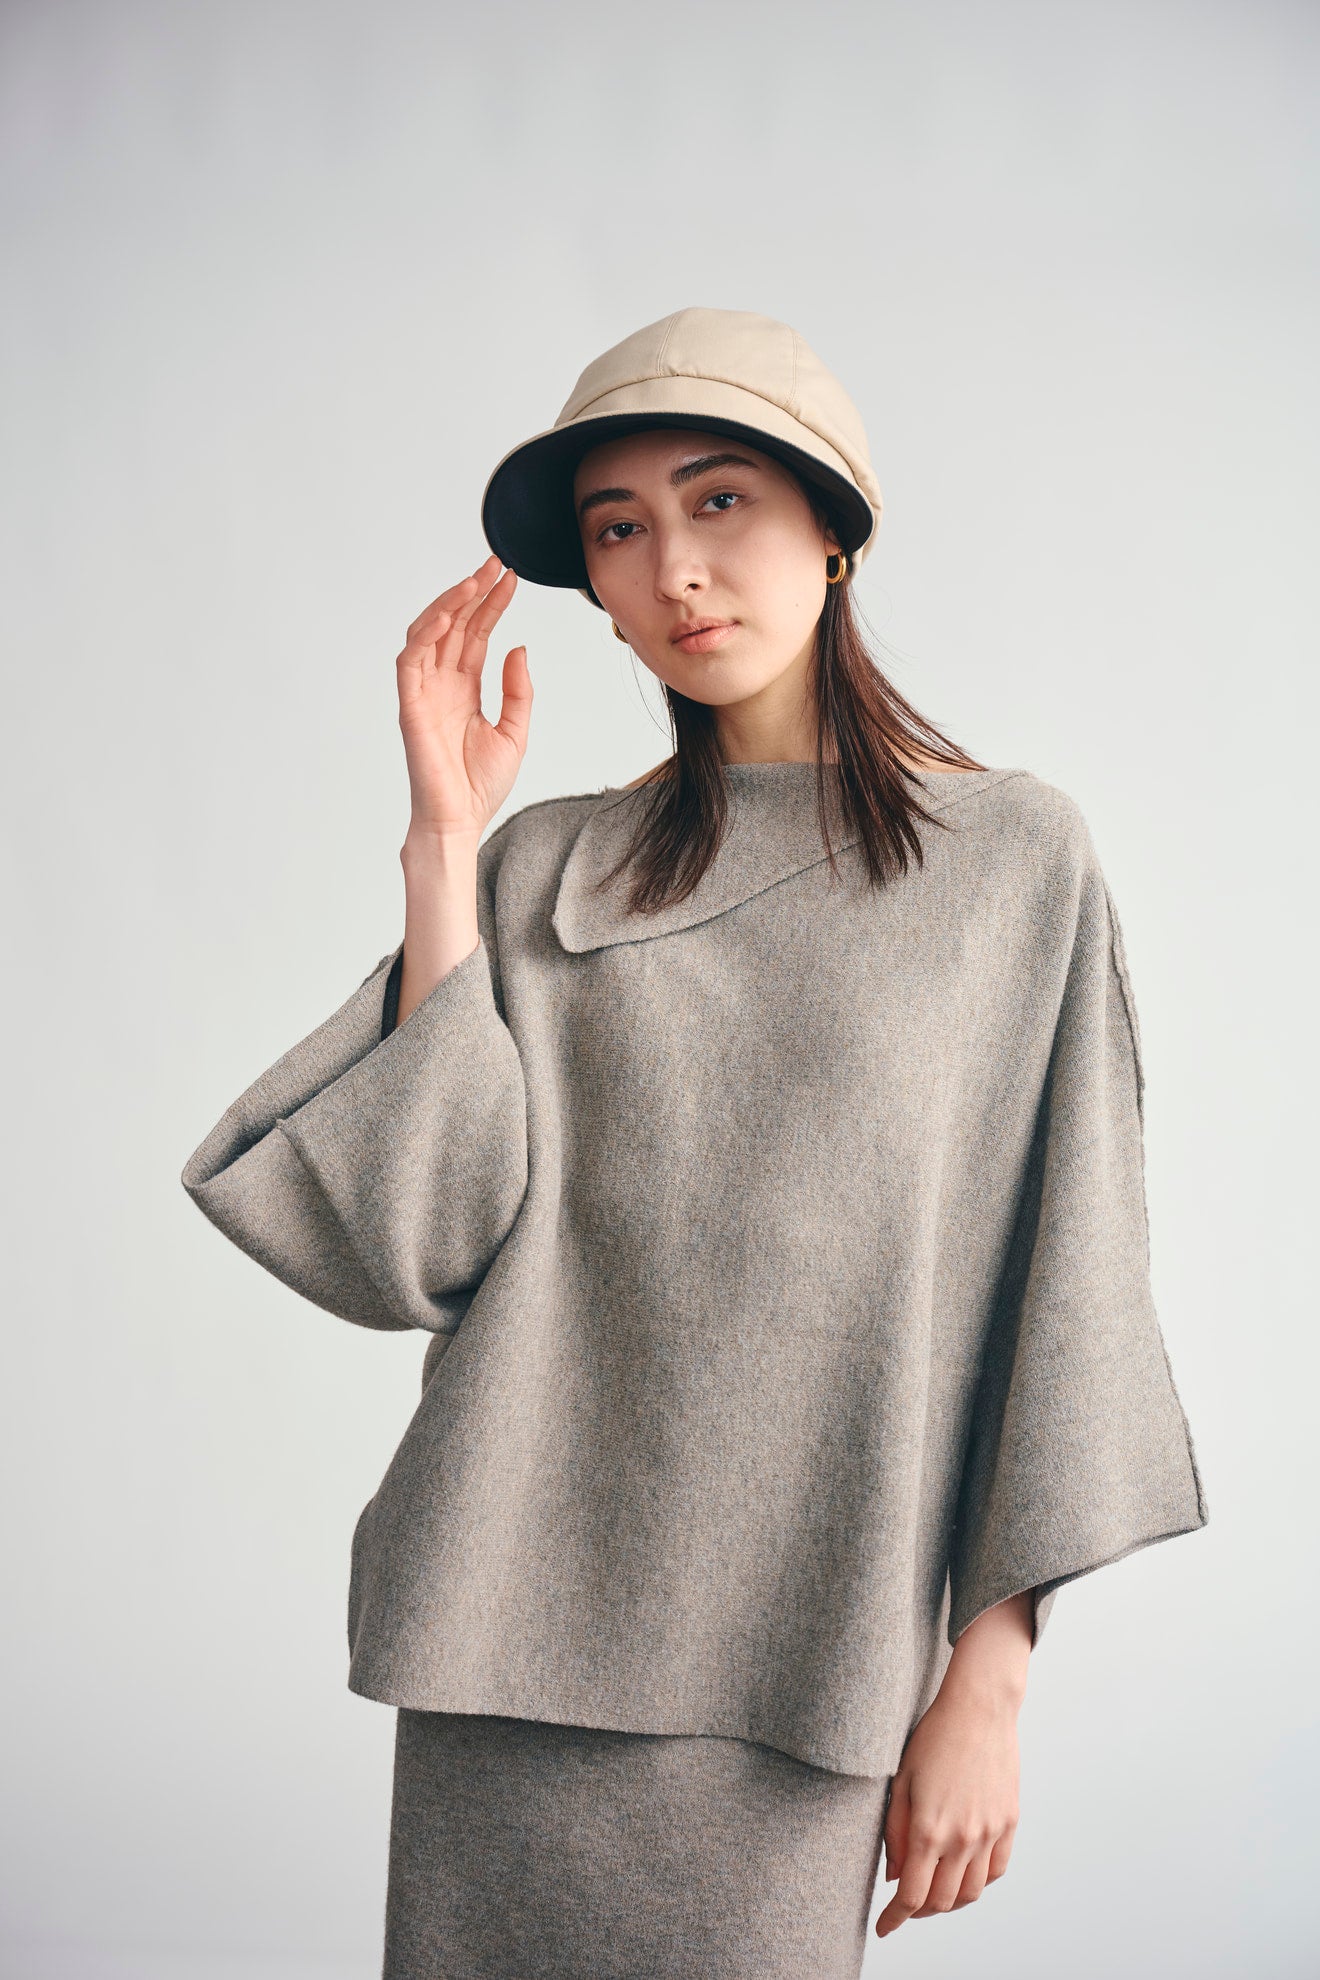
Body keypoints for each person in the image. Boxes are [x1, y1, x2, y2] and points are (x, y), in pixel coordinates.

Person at [180, 306, 1208, 1978]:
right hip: (502, 1649)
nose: (674, 569)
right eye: (619, 530)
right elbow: (415, 1247)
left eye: (720, 500)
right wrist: (445, 844)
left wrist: (990, 1681)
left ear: (834, 529)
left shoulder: (1015, 863)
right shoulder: (544, 868)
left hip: (809, 1671)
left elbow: (1065, 1286)